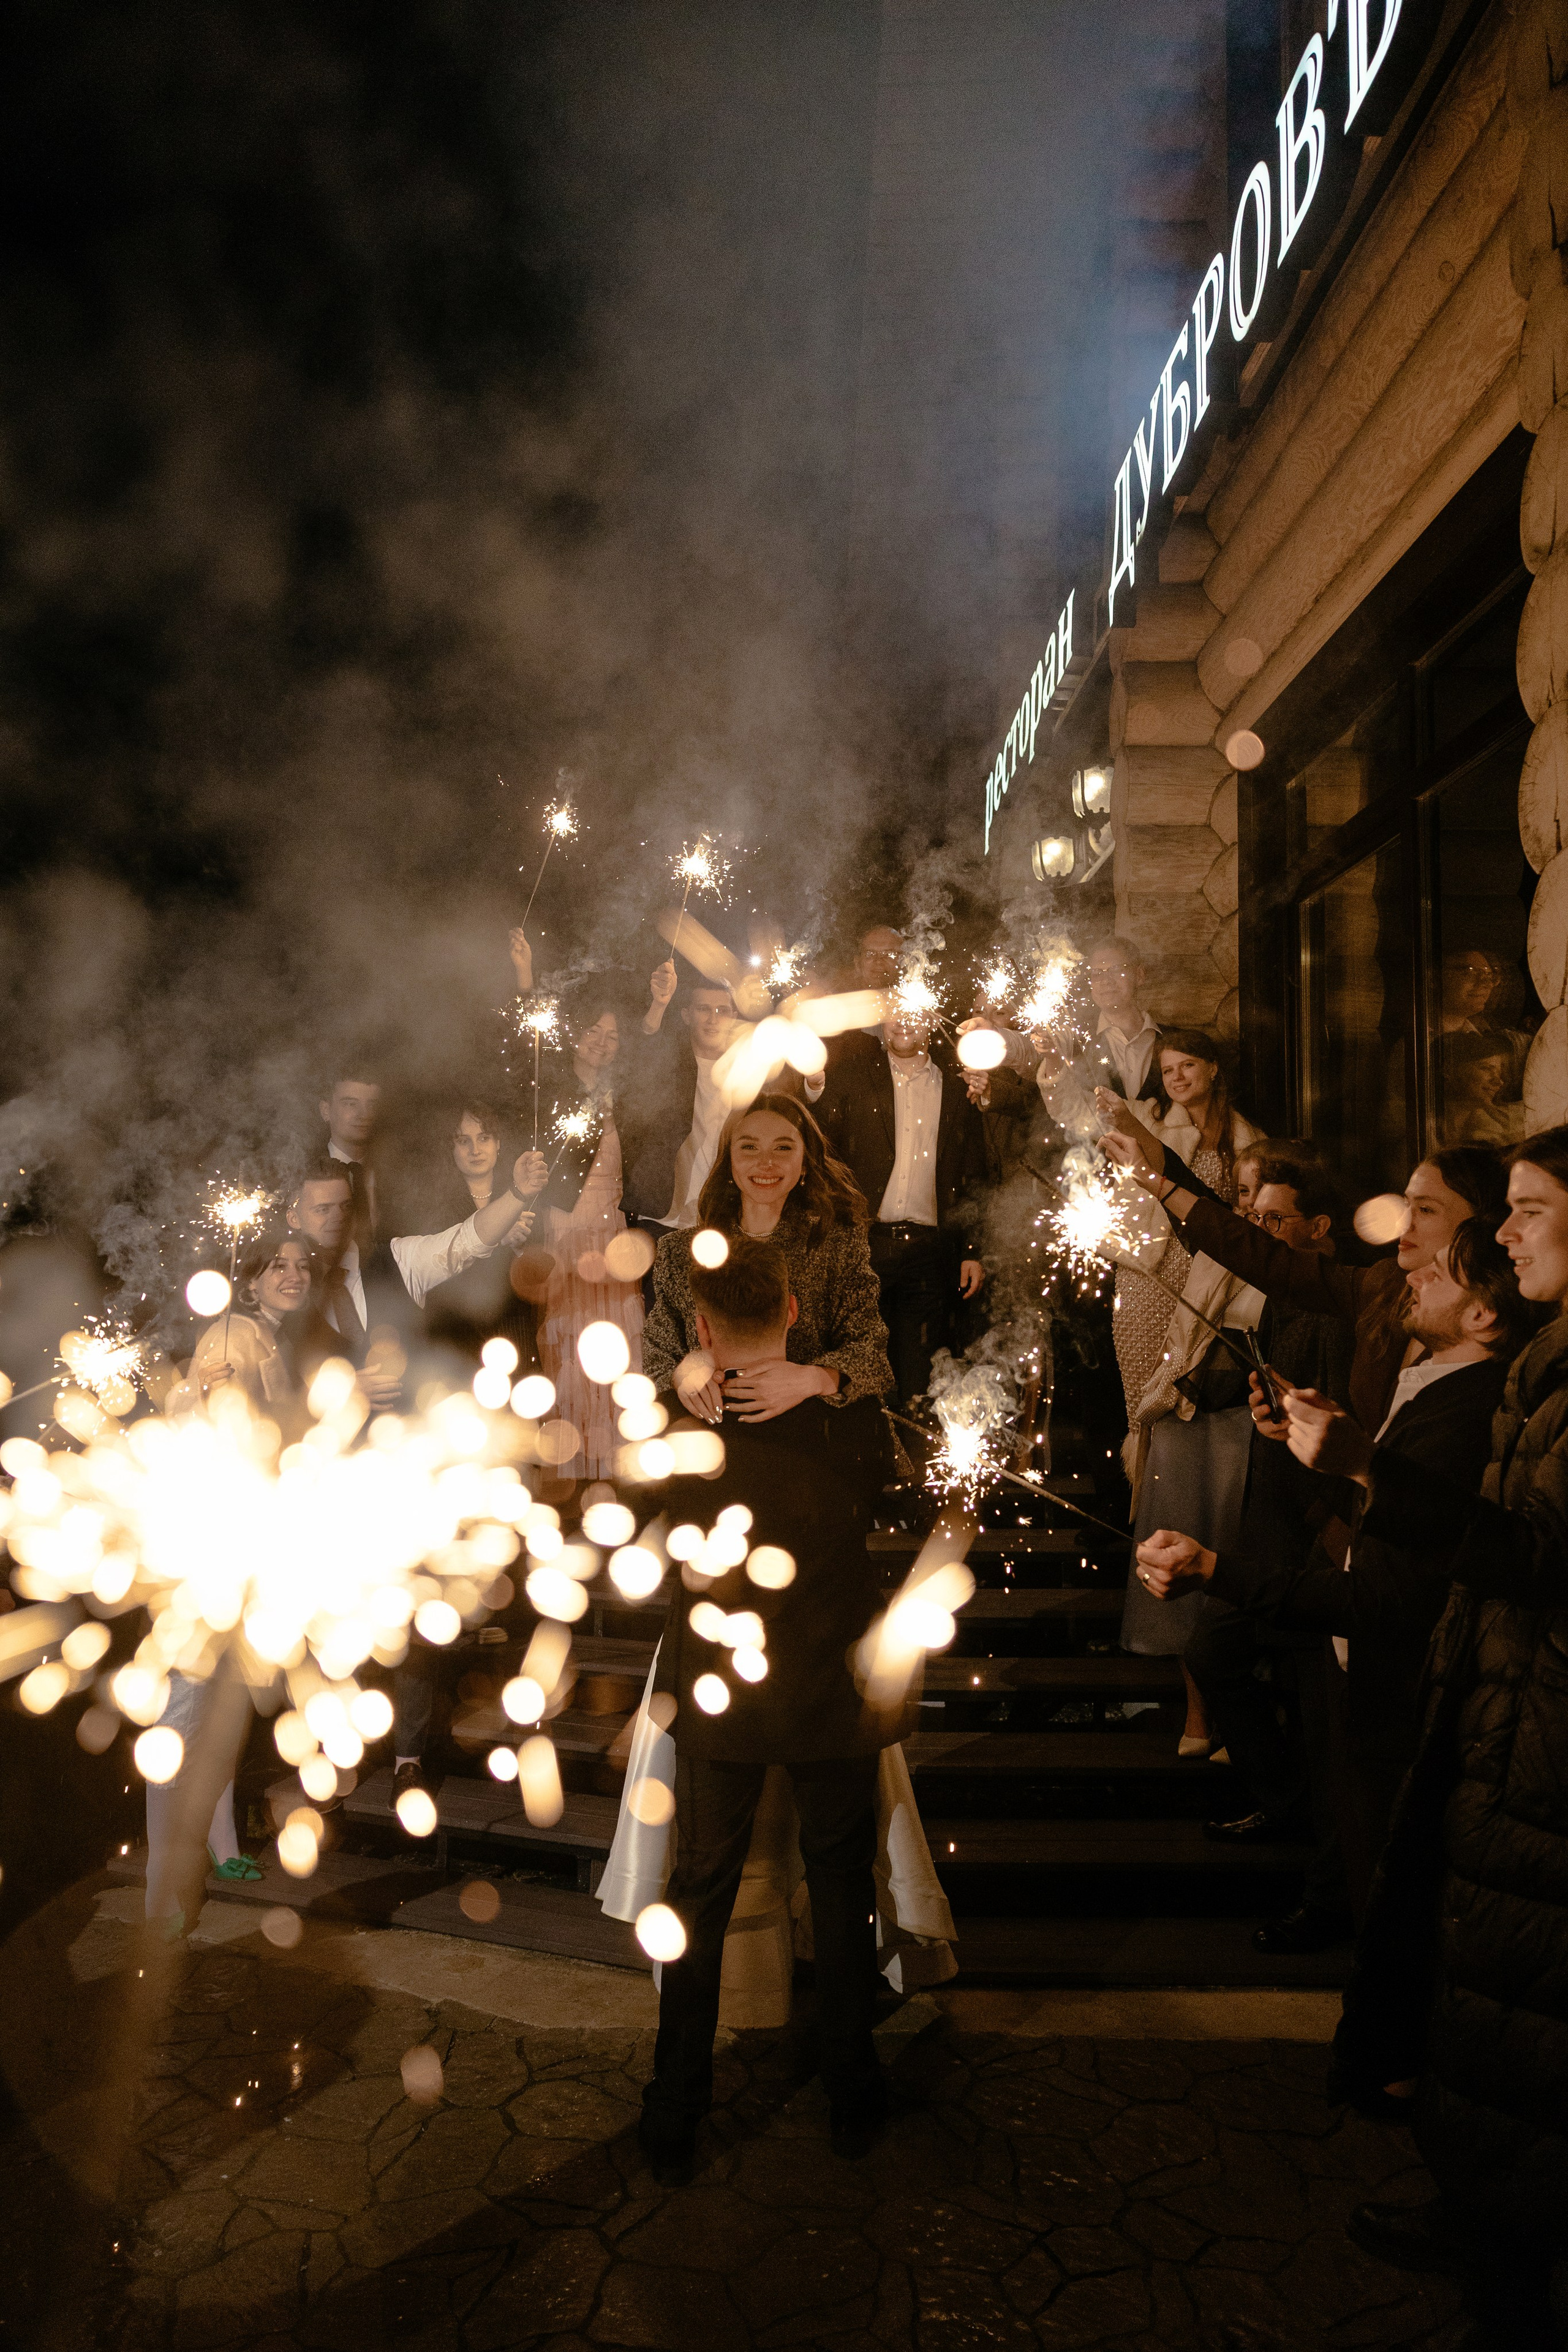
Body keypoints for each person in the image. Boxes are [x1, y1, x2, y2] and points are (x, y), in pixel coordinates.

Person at [1253, 1133, 1568, 2348]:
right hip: (1501, 1722)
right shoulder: (1540, 1362)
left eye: (1532, 1212)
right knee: (1497, 2007)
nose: (1506, 1236)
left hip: (1540, 1743)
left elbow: (1532, 1554)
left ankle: (1507, 2262)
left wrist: (1365, 1471)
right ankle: (1491, 2223)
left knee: (1520, 2007)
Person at [1140, 1218, 1532, 1938]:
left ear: (1483, 1313)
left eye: (1438, 1273)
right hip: (1367, 1677)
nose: (1411, 1274)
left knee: (1394, 1915)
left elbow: (1383, 1597)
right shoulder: (1434, 1385)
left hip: (1399, 1695)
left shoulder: (1465, 1415)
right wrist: (1306, 1432)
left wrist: (1214, 1569)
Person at [636, 1238, 906, 2182]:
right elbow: (892, 1475)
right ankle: (853, 2091)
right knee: (838, 1888)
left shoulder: (684, 1428)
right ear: (794, 1311)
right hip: (832, 1687)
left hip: (725, 1691)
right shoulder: (849, 1420)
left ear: (701, 1327)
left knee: (700, 1895)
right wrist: (830, 1383)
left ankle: (676, 2108)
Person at [1174, 1152, 1358, 1942]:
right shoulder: (1278, 1306)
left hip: (1319, 1539)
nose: (1260, 1235)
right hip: (1268, 1524)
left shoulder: (1348, 1307)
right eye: (1254, 1221)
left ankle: (1330, 1893)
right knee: (1214, 1655)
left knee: (1330, 1728)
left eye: (1273, 1221)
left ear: (1317, 1229)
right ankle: (1286, 1806)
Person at [1103, 1037, 1262, 1751]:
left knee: (1219, 1505)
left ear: (1213, 1066)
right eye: (1165, 1071)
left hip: (1225, 1298)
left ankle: (1226, 1703)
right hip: (1154, 1290)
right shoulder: (1151, 1132)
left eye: (1187, 1067)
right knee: (1162, 1440)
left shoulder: (1246, 1140)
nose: (1177, 1080)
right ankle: (1192, 1701)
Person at [157, 1226, 317, 1911]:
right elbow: (190, 1411)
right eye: (276, 1265)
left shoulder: (274, 1338)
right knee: (184, 1713)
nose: (292, 1274)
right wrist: (192, 1395)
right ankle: (166, 1891)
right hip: (208, 1546)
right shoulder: (232, 1334)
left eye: (300, 1265)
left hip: (252, 1542)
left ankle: (221, 1845)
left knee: (227, 1705)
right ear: (248, 1278)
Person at [641, 1095, 892, 1419]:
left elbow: (872, 1351)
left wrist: (815, 1378)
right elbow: (657, 1352)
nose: (766, 1163)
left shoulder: (836, 1243)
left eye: (783, 1148)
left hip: (811, 1431)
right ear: (729, 1159)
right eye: (749, 1147)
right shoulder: (681, 1251)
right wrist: (681, 1375)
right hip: (711, 1439)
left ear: (805, 1162)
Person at [813, 1004, 987, 1405]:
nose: (904, 1020)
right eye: (895, 1011)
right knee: (858, 1365)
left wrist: (972, 1249)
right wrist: (814, 1083)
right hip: (864, 1244)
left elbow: (973, 1172)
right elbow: (822, 1142)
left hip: (929, 1253)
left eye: (914, 1011)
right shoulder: (855, 1074)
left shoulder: (958, 1085)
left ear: (930, 1019)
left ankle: (914, 1461)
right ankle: (864, 1459)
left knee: (919, 1373)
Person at [523, 981, 644, 1479]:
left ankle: (617, 1471)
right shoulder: (549, 1087)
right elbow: (529, 1034)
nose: (601, 1041)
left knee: (618, 1349)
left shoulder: (630, 1094)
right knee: (569, 1351)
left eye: (612, 1036)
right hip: (566, 1228)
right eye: (593, 1030)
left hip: (613, 1232)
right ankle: (570, 1472)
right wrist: (526, 974)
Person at [417, 1100, 538, 1363]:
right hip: (458, 1342)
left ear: (498, 1144)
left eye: (484, 1138)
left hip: (518, 1338)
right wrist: (496, 1241)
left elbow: (543, 1272)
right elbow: (436, 1275)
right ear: (451, 1148)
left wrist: (520, 1250)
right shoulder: (436, 1203)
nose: (475, 1150)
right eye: (463, 1141)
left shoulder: (526, 1193)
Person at [617, 976, 741, 1227]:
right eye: (704, 1009)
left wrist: (814, 1083)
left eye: (722, 1011)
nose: (713, 1019)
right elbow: (642, 1050)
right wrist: (659, 1004)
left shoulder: (749, 1071)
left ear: (734, 1017)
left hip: (725, 1214)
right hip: (663, 1215)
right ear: (686, 1016)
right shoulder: (667, 1065)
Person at [318, 1069, 384, 1247]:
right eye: (350, 1104)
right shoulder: (303, 1172)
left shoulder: (397, 1173)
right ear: (326, 1111)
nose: (364, 1115)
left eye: (372, 1105)